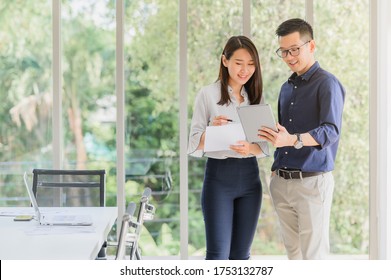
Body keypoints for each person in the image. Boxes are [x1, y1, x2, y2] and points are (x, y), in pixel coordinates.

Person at [258, 18, 345, 260]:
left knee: (312, 258)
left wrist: (293, 140)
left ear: (311, 45)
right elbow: (284, 134)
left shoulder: (327, 83)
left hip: (312, 184)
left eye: (294, 49)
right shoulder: (287, 88)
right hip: (282, 182)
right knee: (293, 255)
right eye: (283, 51)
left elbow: (330, 131)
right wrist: (276, 164)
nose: (288, 56)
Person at [187, 35, 268, 260]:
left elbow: (263, 146)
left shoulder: (256, 97)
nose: (245, 70)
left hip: (250, 179)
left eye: (251, 64)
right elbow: (192, 144)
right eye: (239, 63)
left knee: (241, 256)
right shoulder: (208, 95)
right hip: (219, 179)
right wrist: (211, 129)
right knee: (217, 256)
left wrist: (249, 148)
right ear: (225, 61)